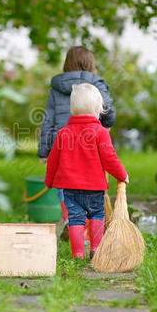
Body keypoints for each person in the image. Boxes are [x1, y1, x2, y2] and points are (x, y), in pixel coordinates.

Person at [44, 83, 128, 259]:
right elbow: (110, 158)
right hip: (94, 188)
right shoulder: (101, 132)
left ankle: (78, 253)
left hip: (70, 189)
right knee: (97, 215)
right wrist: (122, 175)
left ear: (73, 109)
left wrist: (49, 180)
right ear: (98, 109)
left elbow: (53, 160)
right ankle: (95, 249)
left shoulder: (63, 133)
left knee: (75, 219)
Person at [38, 46, 116, 223]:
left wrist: (44, 152)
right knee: (93, 179)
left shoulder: (56, 88)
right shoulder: (97, 84)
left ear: (67, 63)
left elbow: (48, 120)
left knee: (64, 180)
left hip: (64, 144)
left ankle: (70, 220)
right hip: (92, 143)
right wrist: (107, 125)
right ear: (90, 64)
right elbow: (108, 110)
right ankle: (91, 222)